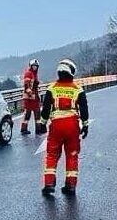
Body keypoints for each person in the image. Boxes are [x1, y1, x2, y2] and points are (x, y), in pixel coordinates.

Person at [38, 59, 89, 196]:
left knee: (52, 154)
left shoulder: (52, 88)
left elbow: (45, 109)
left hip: (56, 126)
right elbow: (84, 109)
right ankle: (71, 186)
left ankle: (49, 184)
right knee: (72, 155)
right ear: (71, 72)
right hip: (72, 126)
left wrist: (42, 123)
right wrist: (85, 125)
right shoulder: (78, 89)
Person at [20, 59, 41, 135]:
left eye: (36, 66)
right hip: (29, 98)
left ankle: (38, 129)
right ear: (31, 66)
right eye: (33, 66)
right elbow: (26, 85)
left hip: (34, 97)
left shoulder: (35, 74)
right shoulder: (28, 73)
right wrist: (30, 92)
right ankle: (24, 129)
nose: (35, 67)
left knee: (38, 113)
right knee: (27, 114)